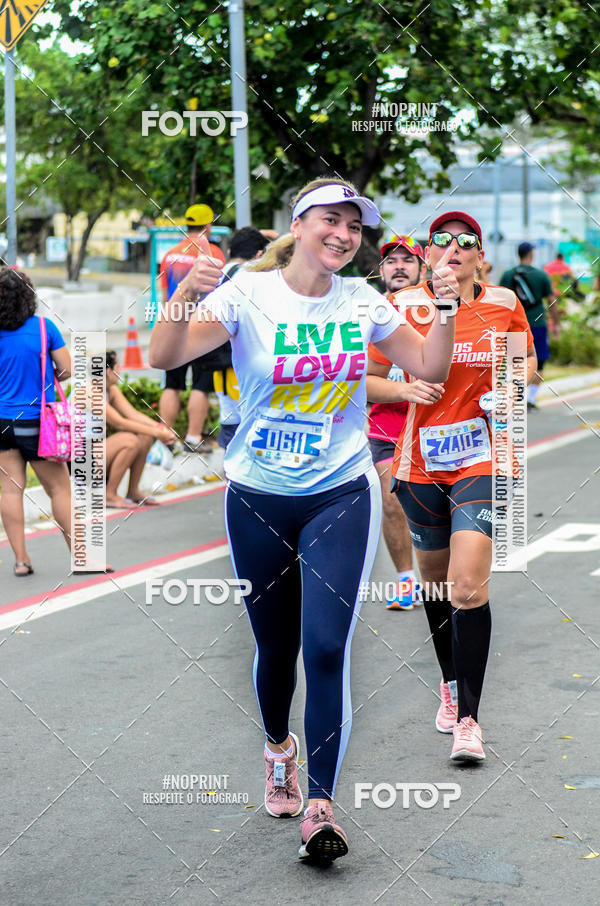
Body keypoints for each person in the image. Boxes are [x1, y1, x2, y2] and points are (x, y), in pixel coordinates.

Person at [149, 177, 457, 863]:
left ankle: (321, 805)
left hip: (340, 490)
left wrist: (443, 304)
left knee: (325, 648)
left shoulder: (363, 301)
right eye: (332, 219)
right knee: (275, 648)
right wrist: (185, 295)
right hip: (257, 493)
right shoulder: (246, 293)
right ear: (299, 224)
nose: (345, 234)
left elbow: (429, 366)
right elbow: (163, 357)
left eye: (355, 225)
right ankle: (278, 748)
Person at [378, 211, 536, 763]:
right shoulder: (398, 308)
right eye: (441, 240)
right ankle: (448, 683)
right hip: (420, 464)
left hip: (483, 457)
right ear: (427, 253)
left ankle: (469, 719)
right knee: (438, 587)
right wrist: (404, 391)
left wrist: (511, 385)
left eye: (466, 241)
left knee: (468, 587)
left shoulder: (504, 303)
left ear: (478, 255)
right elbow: (362, 373)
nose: (454, 248)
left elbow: (527, 361)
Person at [366, 235, 444, 610]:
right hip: (386, 426)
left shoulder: (440, 310)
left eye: (407, 260)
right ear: (380, 271)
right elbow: (358, 378)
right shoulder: (367, 310)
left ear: (422, 267)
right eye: (390, 261)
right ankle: (405, 580)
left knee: (437, 510)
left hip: (438, 427)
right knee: (391, 500)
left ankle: (444, 577)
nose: (398, 266)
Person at [0, 267, 72, 575]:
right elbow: (67, 369)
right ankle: (82, 556)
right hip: (38, 422)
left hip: (2, 422)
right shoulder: (45, 328)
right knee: (59, 490)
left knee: (9, 490)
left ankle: (20, 560)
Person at [158, 203, 227, 453]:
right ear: (208, 226)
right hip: (204, 327)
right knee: (201, 384)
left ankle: (166, 439)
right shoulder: (216, 255)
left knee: (172, 384)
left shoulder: (170, 254)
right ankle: (194, 438)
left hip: (175, 323)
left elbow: (165, 295)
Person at [214, 227, 270, 449]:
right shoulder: (252, 277)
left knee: (229, 424)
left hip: (218, 363)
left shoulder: (219, 272)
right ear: (258, 255)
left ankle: (231, 480)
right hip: (244, 364)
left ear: (229, 250)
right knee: (251, 429)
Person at [105, 350, 176, 507]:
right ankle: (109, 495)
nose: (120, 370)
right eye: (118, 365)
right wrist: (158, 433)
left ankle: (133, 491)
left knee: (144, 436)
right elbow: (120, 423)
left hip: (97, 450)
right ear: (109, 371)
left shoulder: (110, 389)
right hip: (80, 458)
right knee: (130, 440)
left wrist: (161, 429)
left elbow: (132, 414)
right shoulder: (89, 392)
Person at [500, 242, 555, 410]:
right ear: (531, 253)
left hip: (513, 325)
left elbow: (500, 298)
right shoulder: (541, 275)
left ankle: (515, 396)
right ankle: (530, 398)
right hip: (537, 324)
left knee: (514, 362)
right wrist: (556, 323)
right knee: (539, 360)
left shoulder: (508, 274)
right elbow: (551, 300)